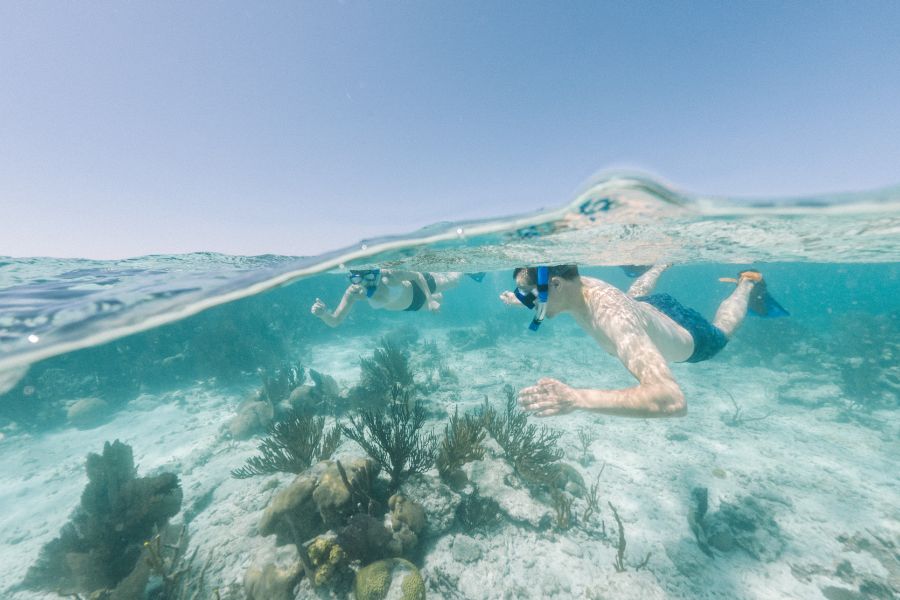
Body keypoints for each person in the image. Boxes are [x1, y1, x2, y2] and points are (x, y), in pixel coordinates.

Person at [501, 264, 787, 418]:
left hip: (693, 337)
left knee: (722, 329)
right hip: (648, 306)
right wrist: (523, 297)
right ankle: (663, 260)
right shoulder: (574, 284)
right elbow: (547, 285)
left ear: (556, 286)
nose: (529, 301)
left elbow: (671, 400)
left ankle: (747, 282)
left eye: (529, 294)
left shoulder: (614, 320)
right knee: (635, 293)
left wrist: (577, 399)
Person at [311, 269, 467, 327]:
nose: (367, 284)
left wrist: (430, 299)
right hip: (411, 306)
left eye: (371, 277)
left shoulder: (390, 275)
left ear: (376, 272)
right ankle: (435, 298)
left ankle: (463, 268)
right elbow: (335, 321)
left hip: (418, 288)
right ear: (353, 278)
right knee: (441, 300)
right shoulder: (353, 292)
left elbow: (418, 275)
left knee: (454, 281)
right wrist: (323, 314)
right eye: (358, 279)